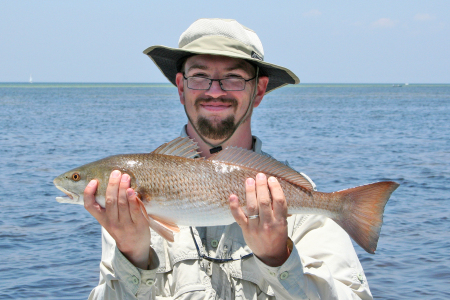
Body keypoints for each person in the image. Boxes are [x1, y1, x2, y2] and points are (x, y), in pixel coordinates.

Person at [84, 18, 373, 299]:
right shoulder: (124, 200)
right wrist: (133, 256)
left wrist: (278, 258)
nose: (214, 91)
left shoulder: (295, 196)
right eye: (199, 76)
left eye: (233, 78)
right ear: (181, 87)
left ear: (258, 90)